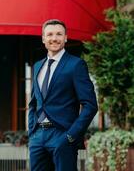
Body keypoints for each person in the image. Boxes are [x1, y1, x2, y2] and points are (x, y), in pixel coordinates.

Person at [28, 19, 98, 171]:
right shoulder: (38, 66)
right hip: (38, 137)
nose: (54, 38)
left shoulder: (76, 65)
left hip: (62, 135)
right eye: (50, 34)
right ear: (43, 38)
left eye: (59, 34)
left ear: (66, 37)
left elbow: (90, 105)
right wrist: (31, 133)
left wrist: (71, 136)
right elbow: (33, 103)